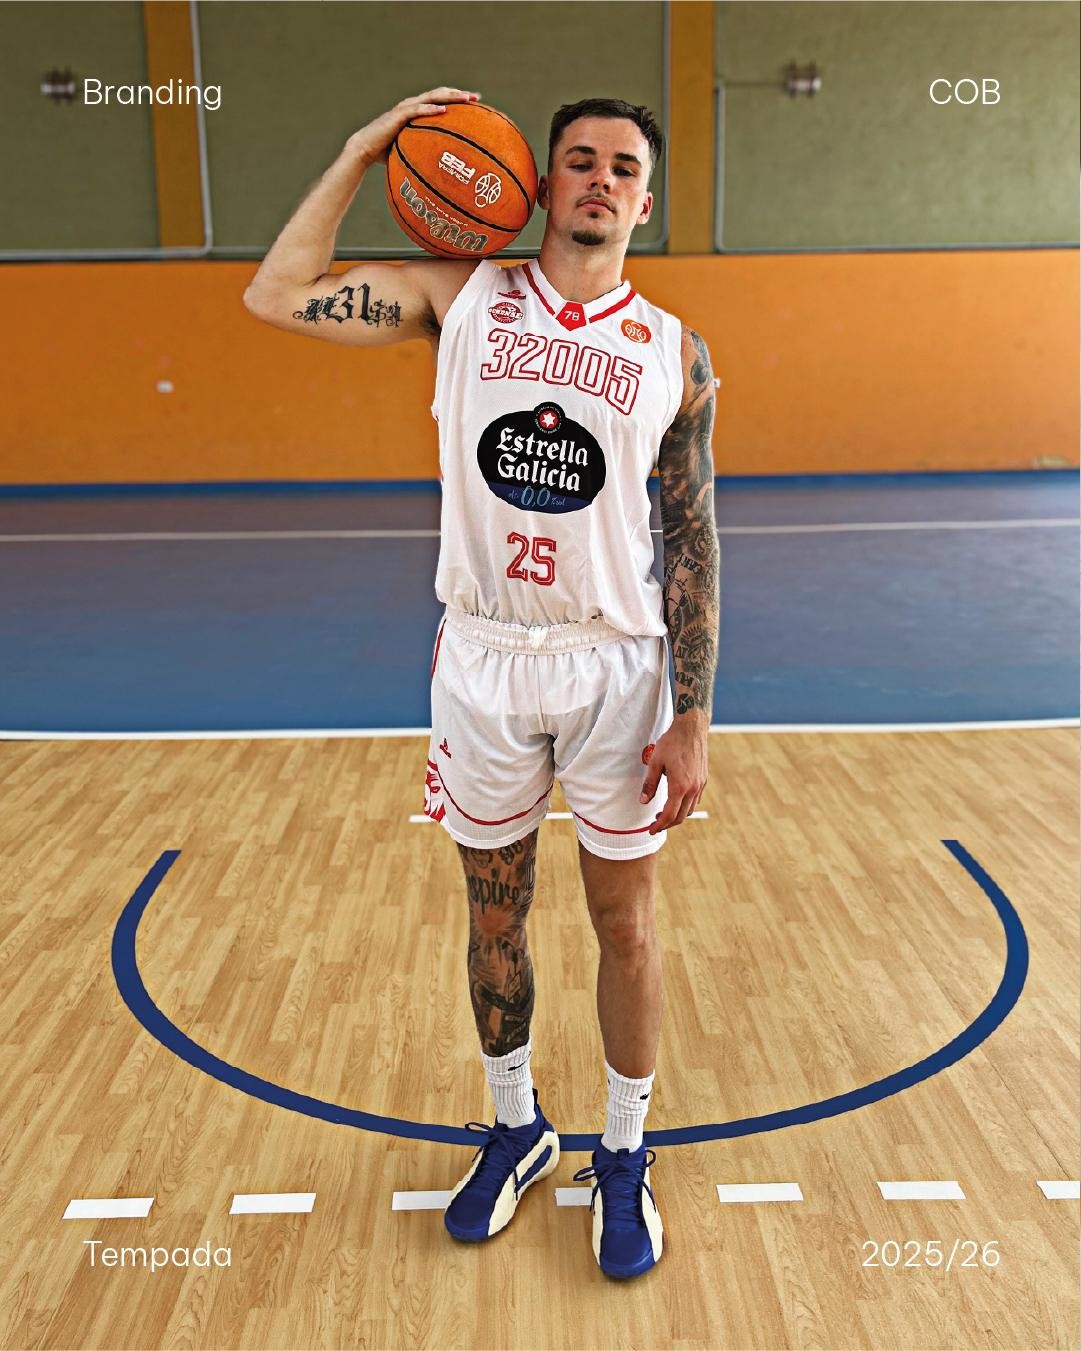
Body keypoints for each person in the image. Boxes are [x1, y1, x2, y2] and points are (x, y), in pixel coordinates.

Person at [244, 88, 720, 1281]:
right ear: (540, 184)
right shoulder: (459, 297)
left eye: (623, 167)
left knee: (625, 921)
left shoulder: (674, 353)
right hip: (484, 657)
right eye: (579, 161)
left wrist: (695, 710)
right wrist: (363, 148)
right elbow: (275, 291)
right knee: (493, 913)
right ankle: (517, 1128)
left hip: (616, 668)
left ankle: (624, 1151)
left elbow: (691, 533)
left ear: (645, 202)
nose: (600, 180)